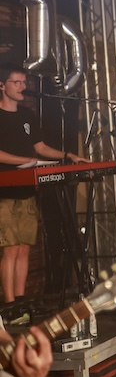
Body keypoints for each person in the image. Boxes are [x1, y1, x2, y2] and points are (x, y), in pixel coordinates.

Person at [0, 65, 89, 302]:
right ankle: (9, 304)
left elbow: (40, 148)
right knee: (10, 249)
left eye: (24, 82)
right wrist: (25, 161)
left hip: (28, 190)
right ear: (2, 86)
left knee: (24, 247)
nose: (23, 87)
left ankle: (21, 301)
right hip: (4, 191)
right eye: (16, 82)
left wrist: (67, 155)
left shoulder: (27, 115)